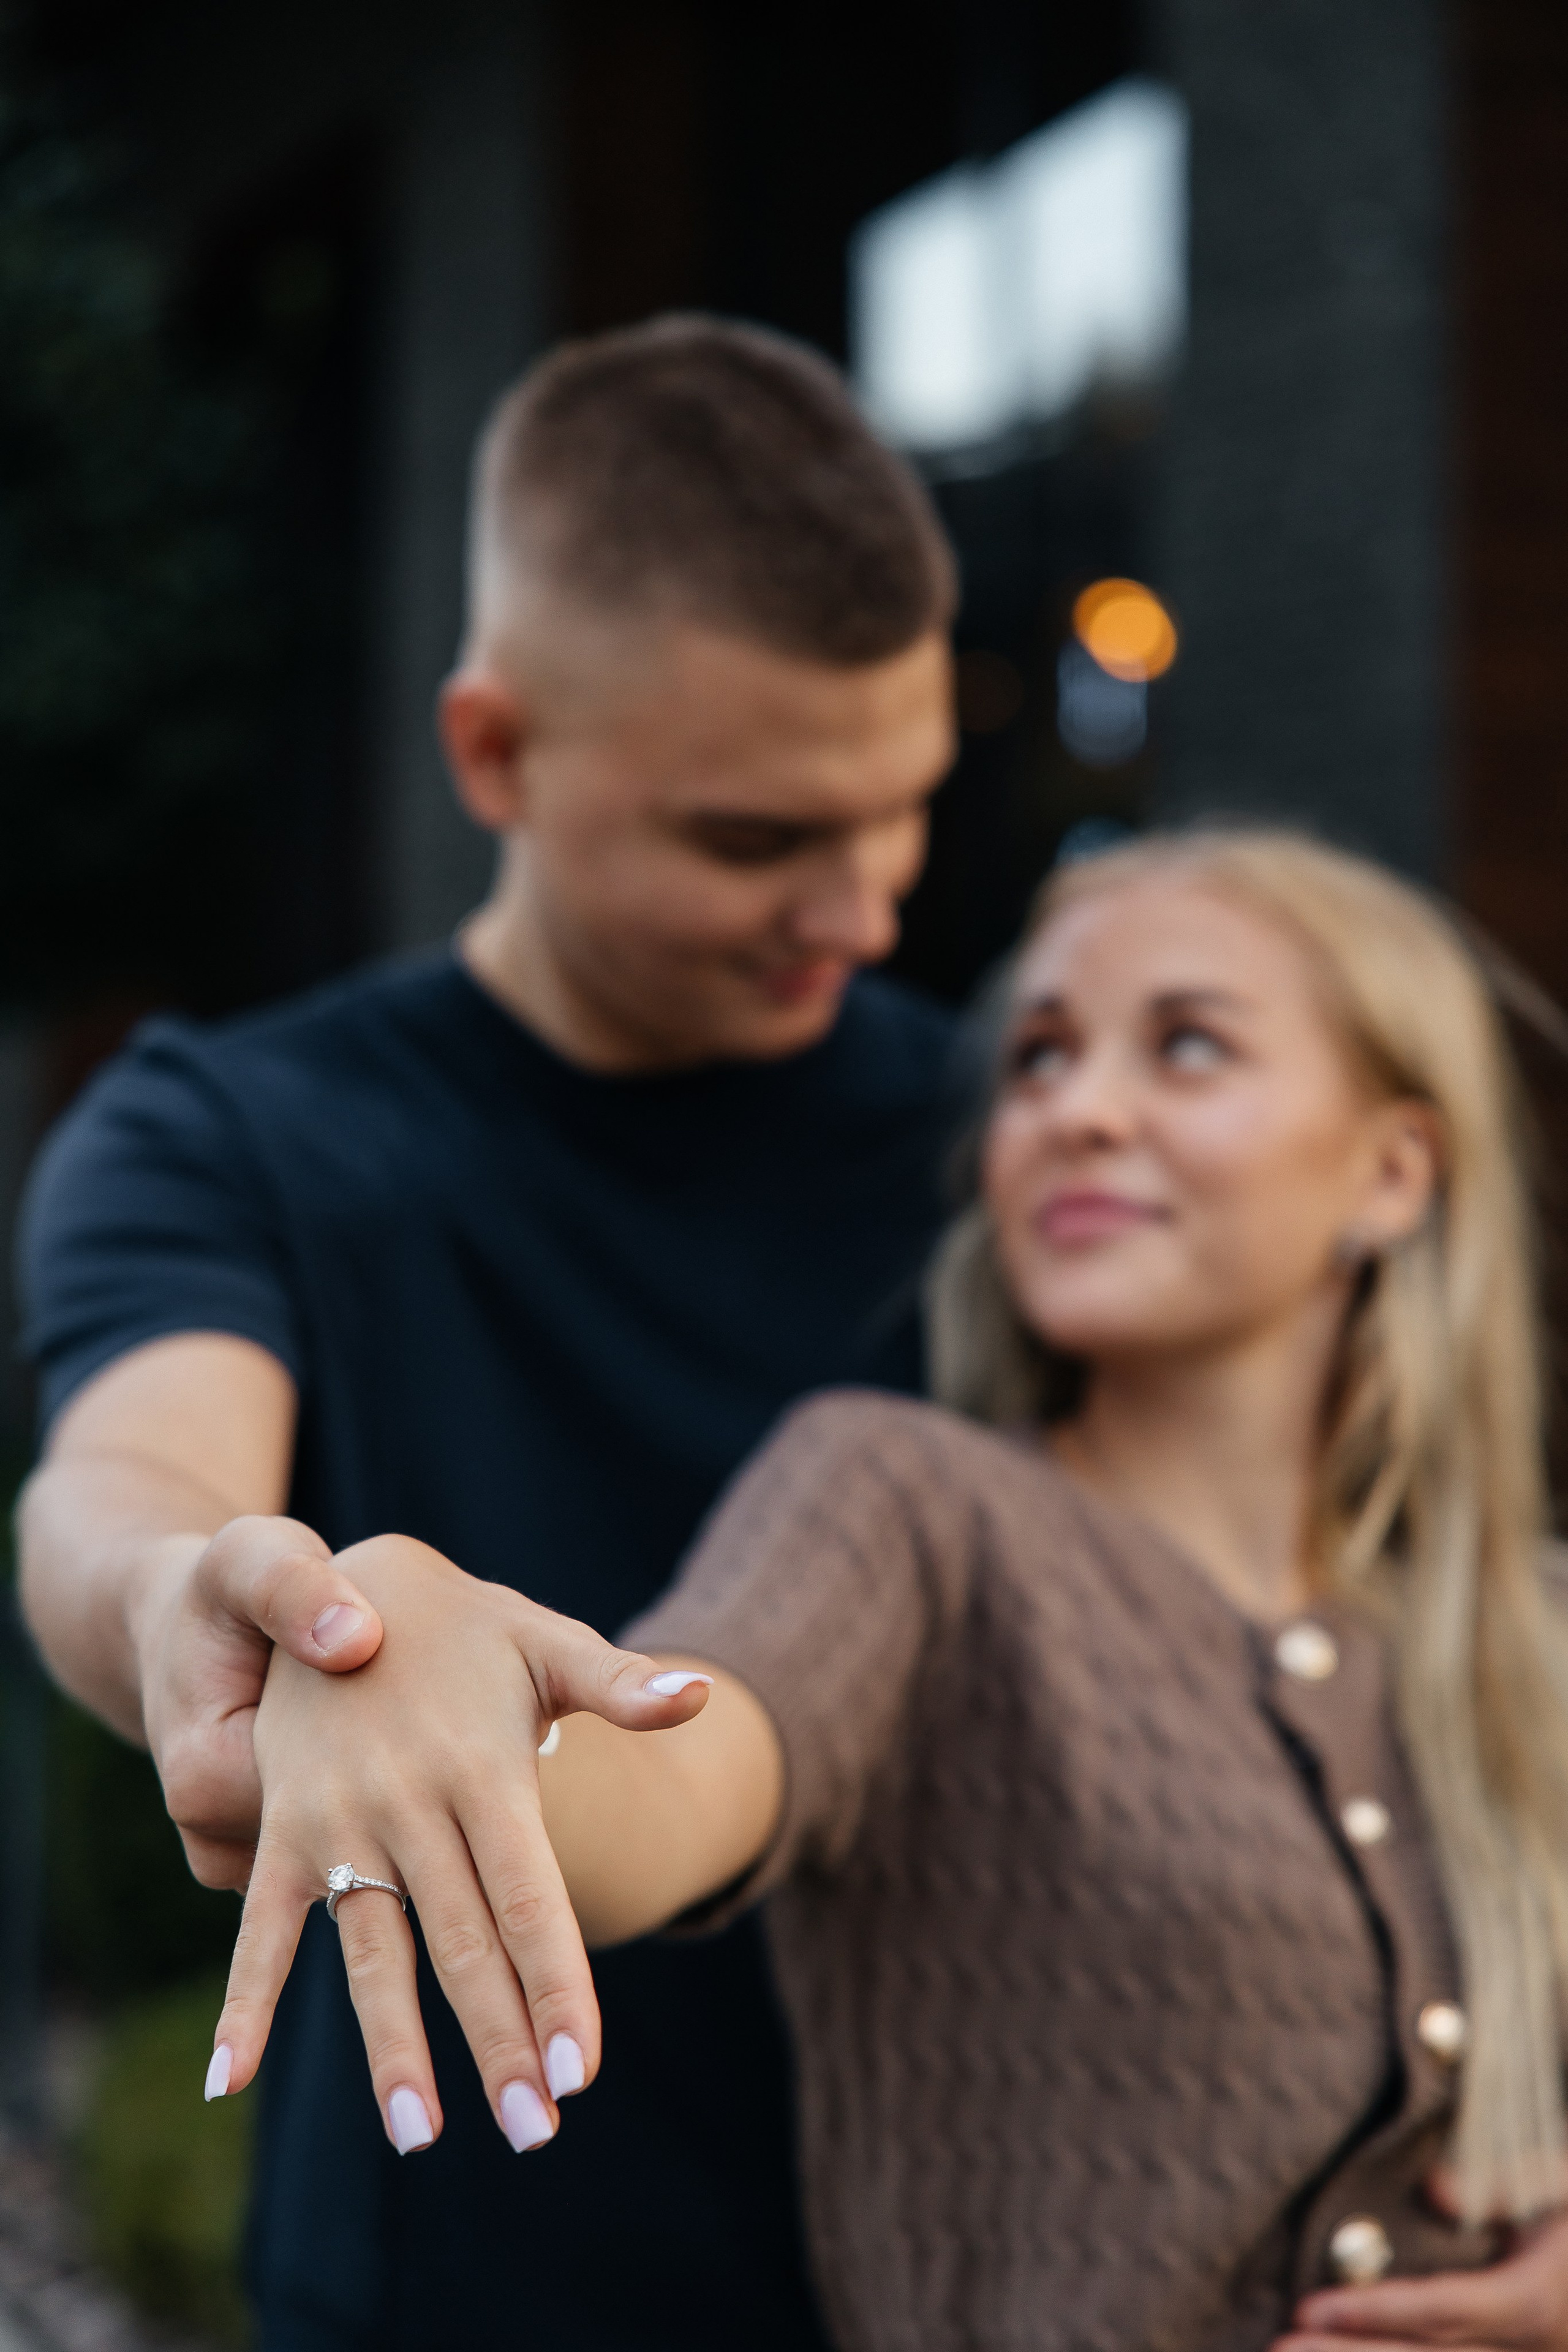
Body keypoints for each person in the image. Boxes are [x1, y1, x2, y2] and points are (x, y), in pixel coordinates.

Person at [219, 828, 1568, 2351]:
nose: (1079, 1113)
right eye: (1039, 1061)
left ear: (1391, 1171)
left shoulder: (1532, 1641)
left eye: (1185, 1047)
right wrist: (434, 1670)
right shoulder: (913, 1516)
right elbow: (669, 1774)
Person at [15, 316, 962, 2351]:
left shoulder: (1012, 1147)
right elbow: (129, 1486)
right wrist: (209, 1594)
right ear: (495, 753)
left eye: (902, 813)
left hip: (991, 2268)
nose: (866, 912)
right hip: (451, 2286)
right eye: (757, 840)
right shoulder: (233, 1132)